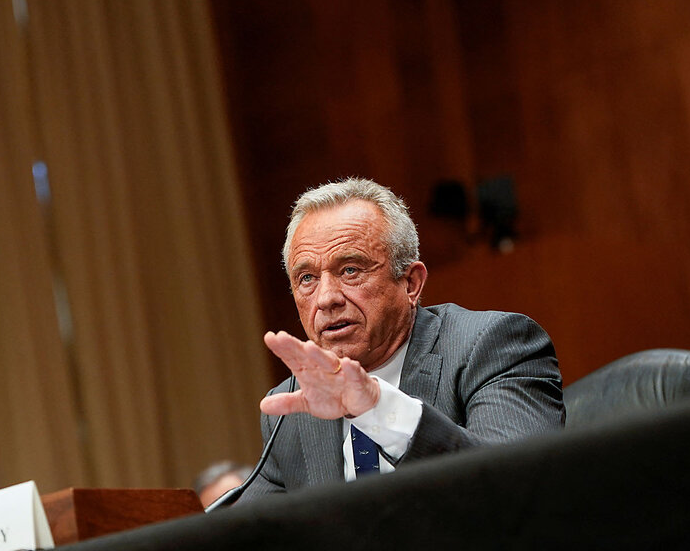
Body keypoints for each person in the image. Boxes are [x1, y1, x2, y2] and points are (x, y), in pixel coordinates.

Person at [241, 177, 564, 501]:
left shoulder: (491, 347)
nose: (326, 298)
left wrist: (377, 409)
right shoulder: (289, 408)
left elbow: (516, 485)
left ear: (411, 283)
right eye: (307, 278)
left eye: (350, 270)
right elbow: (252, 528)